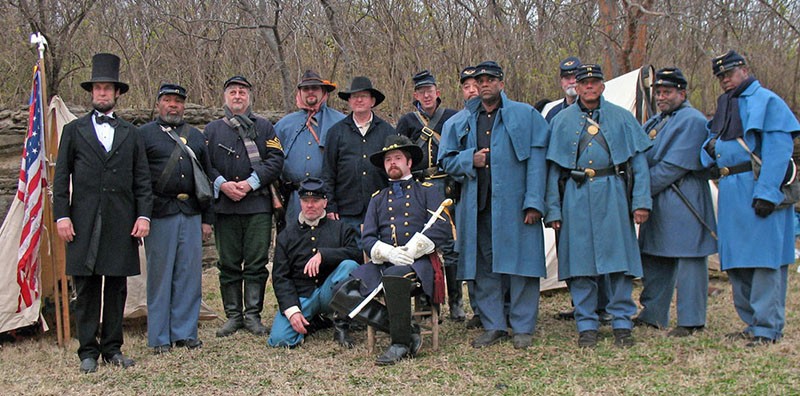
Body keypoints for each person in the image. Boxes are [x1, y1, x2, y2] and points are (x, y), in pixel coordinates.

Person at [438, 61, 549, 350]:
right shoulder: (459, 122)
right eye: (480, 80)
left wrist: (534, 202)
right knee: (484, 268)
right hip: (477, 208)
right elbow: (445, 161)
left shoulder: (526, 115)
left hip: (516, 206)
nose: (484, 84)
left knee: (521, 265)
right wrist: (469, 159)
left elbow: (538, 163)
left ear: (501, 83)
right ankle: (494, 325)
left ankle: (522, 326)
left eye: (490, 79)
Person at [53, 53, 152, 373]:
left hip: (121, 221)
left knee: (116, 288)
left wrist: (143, 216)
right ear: (91, 92)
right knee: (86, 288)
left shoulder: (131, 133)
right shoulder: (74, 130)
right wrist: (62, 216)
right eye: (97, 88)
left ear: (117, 93)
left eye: (108, 88)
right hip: (82, 221)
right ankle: (87, 351)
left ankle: (112, 348)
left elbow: (142, 180)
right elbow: (60, 178)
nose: (102, 93)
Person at [544, 63, 652, 348]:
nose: (589, 86)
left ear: (603, 85)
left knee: (618, 262)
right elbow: (553, 171)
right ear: (577, 87)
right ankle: (586, 325)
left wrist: (641, 202)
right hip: (575, 197)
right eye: (584, 83)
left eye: (594, 82)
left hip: (613, 193)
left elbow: (639, 164)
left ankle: (621, 323)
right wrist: (553, 209)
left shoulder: (621, 117)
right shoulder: (561, 120)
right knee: (580, 264)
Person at [701, 50, 799, 346]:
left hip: (756, 187)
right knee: (737, 261)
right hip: (730, 190)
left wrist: (768, 193)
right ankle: (752, 323)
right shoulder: (725, 104)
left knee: (765, 261)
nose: (725, 80)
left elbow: (778, 151)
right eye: (720, 76)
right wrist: (708, 153)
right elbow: (712, 142)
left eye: (729, 73)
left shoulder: (768, 102)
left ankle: (767, 328)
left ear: (744, 69)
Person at [329, 135, 450, 365]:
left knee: (395, 276)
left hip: (418, 263)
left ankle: (400, 344)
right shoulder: (378, 199)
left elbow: (442, 227)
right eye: (388, 160)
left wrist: (412, 250)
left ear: (409, 162)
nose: (392, 163)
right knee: (340, 292)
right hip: (384, 262)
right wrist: (388, 253)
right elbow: (367, 238)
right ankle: (408, 330)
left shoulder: (427, 191)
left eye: (397, 158)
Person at [635, 68, 717, 336]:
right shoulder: (656, 120)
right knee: (654, 257)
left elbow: (672, 167)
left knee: (689, 259)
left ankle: (691, 320)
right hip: (657, 201)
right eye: (658, 92)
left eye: (667, 92)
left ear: (682, 93)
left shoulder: (693, 120)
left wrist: (638, 190)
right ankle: (653, 314)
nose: (661, 97)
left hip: (684, 199)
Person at [205, 75, 285, 337]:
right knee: (228, 263)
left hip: (257, 205)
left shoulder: (265, 127)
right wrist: (222, 184)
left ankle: (252, 315)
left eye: (242, 92)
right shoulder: (212, 130)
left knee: (256, 263)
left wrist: (250, 184)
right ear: (225, 97)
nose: (237, 96)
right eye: (233, 92)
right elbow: (205, 165)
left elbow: (276, 160)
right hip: (225, 207)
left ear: (249, 97)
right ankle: (233, 316)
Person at [140, 83, 213, 353]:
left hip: (191, 212)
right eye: (168, 100)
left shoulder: (195, 137)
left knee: (189, 275)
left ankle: (185, 333)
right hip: (160, 213)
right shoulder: (144, 135)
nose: (173, 106)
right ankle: (159, 337)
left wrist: (207, 218)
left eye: (178, 101)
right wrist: (142, 215)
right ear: (159, 103)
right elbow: (139, 180)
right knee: (160, 278)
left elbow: (207, 178)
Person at [395, 70, 464, 321]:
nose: (426, 95)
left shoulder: (452, 117)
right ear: (415, 95)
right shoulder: (407, 121)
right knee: (420, 244)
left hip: (446, 187)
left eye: (430, 91)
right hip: (420, 187)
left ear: (438, 92)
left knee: (451, 247)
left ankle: (456, 303)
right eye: (421, 92)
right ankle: (425, 304)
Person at [267, 178, 361, 348]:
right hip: (302, 296)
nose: (310, 205)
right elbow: (281, 277)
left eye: (315, 200)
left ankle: (341, 323)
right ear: (300, 202)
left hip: (330, 293)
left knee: (349, 266)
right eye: (305, 200)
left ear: (325, 202)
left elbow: (356, 255)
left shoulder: (341, 229)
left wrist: (324, 255)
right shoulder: (286, 236)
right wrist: (292, 311)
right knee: (280, 340)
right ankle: (315, 320)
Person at [321, 76, 397, 244]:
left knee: (380, 254)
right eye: (355, 96)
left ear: (372, 101)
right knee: (350, 254)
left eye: (363, 96)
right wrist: (330, 205)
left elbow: (394, 172)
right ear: (349, 101)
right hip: (346, 210)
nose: (359, 100)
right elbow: (328, 172)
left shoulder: (387, 132)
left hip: (381, 208)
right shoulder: (336, 132)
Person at [274, 70, 345, 225]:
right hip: (294, 200)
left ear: (323, 91)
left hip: (329, 199)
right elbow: (272, 159)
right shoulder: (283, 125)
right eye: (306, 88)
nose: (310, 91)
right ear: (300, 93)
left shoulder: (341, 122)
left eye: (315, 88)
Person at [541, 56, 581, 122]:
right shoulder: (553, 113)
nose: (571, 82)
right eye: (567, 78)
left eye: (575, 78)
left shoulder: (591, 110)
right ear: (562, 82)